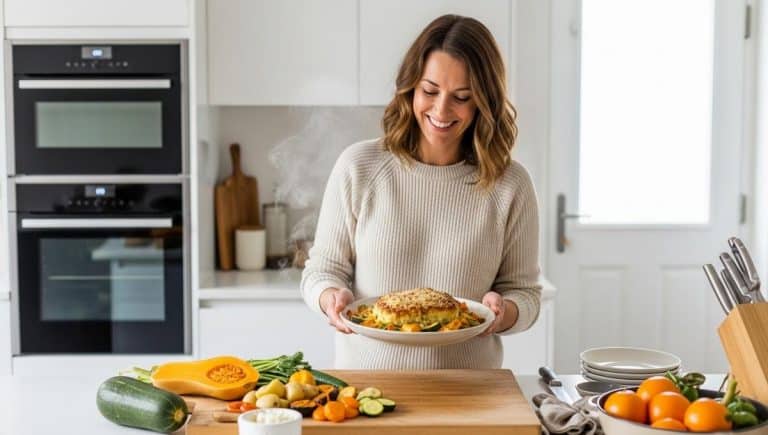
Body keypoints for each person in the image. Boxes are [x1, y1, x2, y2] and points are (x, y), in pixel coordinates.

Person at [300, 14, 541, 369]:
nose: (441, 110)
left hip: (469, 389)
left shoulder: (510, 185)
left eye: (462, 97)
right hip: (367, 386)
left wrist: (504, 312)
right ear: (410, 87)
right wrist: (330, 297)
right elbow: (320, 271)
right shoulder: (359, 166)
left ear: (483, 102)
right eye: (429, 91)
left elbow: (526, 294)